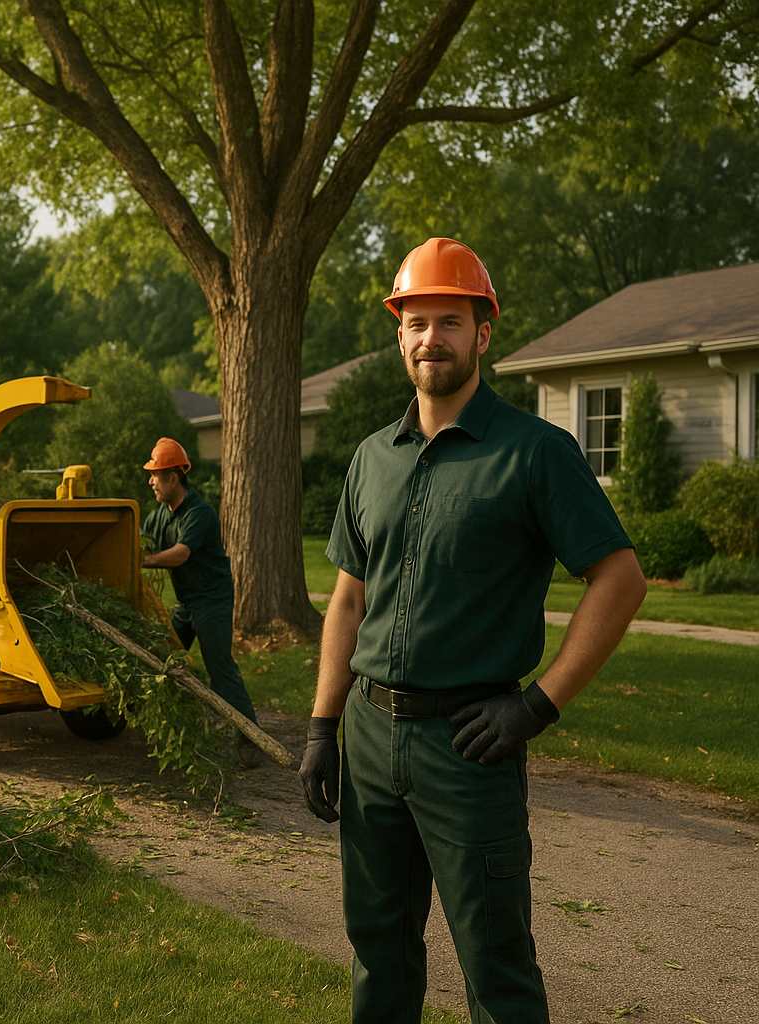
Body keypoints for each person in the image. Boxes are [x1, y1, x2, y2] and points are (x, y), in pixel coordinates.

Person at [297, 237, 646, 1023]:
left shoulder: (536, 454)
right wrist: (323, 724)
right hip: (369, 738)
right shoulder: (369, 459)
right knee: (378, 951)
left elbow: (619, 580)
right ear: (399, 335)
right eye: (416, 323)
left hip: (468, 746)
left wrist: (537, 704)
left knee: (497, 966)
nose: (431, 340)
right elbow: (348, 601)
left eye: (449, 321)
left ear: (482, 333)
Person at [139, 438, 262, 764]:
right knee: (159, 661)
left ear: (173, 478)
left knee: (220, 671)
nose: (151, 481)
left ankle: (250, 738)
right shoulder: (158, 516)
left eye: (156, 474)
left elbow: (180, 555)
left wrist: (147, 561)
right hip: (185, 603)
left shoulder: (199, 512)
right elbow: (138, 539)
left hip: (212, 600)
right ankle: (168, 728)